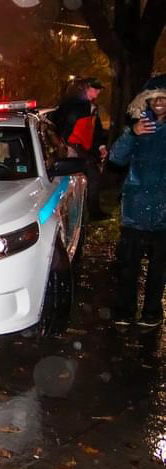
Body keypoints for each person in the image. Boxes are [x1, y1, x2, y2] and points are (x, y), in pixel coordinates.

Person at [109, 74, 166, 327]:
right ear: (146, 101)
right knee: (128, 265)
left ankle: (152, 311)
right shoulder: (137, 127)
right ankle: (125, 309)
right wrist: (132, 135)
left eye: (164, 98)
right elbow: (116, 158)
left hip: (164, 211)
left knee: (159, 267)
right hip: (134, 209)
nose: (159, 103)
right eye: (154, 98)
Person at [51, 77, 109, 220]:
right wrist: (66, 146)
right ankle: (85, 213)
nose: (97, 92)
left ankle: (87, 212)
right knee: (82, 177)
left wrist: (101, 146)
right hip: (73, 148)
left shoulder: (90, 107)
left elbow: (96, 129)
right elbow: (64, 126)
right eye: (93, 89)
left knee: (89, 176)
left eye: (98, 89)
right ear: (84, 89)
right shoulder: (75, 106)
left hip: (81, 148)